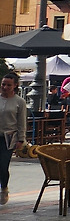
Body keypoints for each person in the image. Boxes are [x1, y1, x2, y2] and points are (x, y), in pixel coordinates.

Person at [0, 72, 28, 205]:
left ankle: (4, 188)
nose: (5, 87)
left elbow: (21, 122)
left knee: (3, 165)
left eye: (8, 85)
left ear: (15, 86)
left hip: (8, 137)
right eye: (3, 84)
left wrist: (21, 139)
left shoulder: (19, 102)